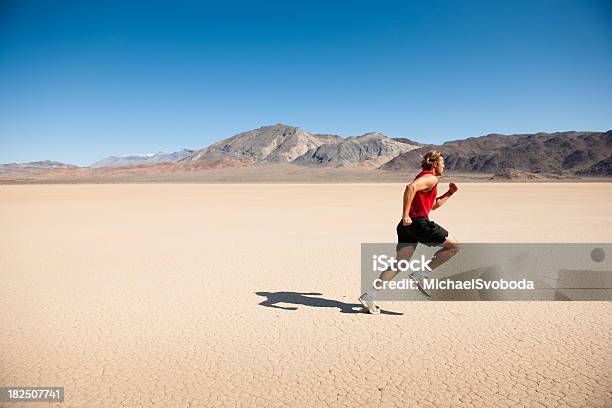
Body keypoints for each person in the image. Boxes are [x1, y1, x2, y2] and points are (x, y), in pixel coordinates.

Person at [359, 150, 460, 314]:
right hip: (418, 223)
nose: (444, 166)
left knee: (399, 263)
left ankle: (370, 295)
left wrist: (449, 193)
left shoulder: (425, 178)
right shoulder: (430, 177)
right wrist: (405, 214)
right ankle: (422, 273)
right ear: (434, 164)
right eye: (443, 163)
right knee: (454, 246)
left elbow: (432, 205)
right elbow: (410, 187)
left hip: (407, 226)